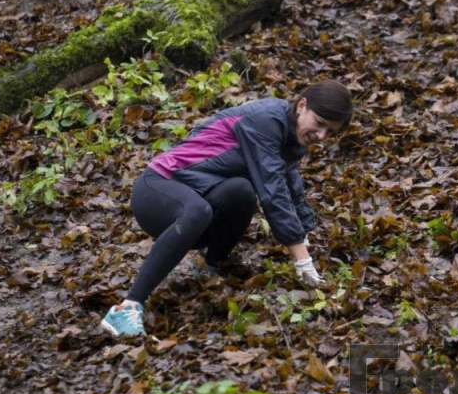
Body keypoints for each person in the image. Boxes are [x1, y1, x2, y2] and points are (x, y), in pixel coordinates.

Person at [100, 79, 353, 337]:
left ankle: (207, 270)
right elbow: (272, 191)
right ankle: (127, 307)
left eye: (330, 132)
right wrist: (302, 259)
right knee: (198, 210)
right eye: (320, 123)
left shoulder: (291, 136)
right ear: (301, 105)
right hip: (157, 189)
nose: (321, 136)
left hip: (201, 197)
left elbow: (291, 188)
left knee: (241, 191)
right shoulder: (266, 120)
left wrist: (305, 236)